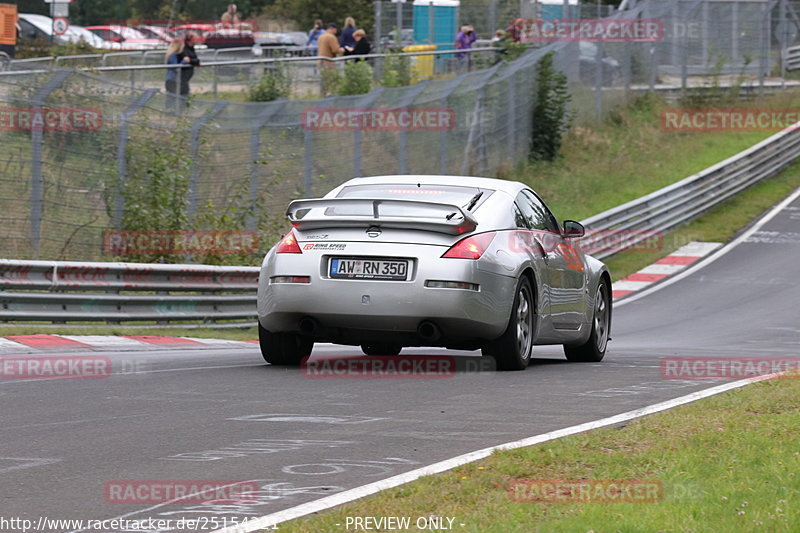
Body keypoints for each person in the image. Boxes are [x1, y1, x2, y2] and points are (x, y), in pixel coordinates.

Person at [164, 38, 189, 113]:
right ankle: (172, 112)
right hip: (172, 80)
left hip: (173, 80)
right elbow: (176, 67)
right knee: (174, 97)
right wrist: (184, 62)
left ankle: (176, 111)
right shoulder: (173, 55)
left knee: (174, 97)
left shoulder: (175, 55)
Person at [176, 32, 201, 105]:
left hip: (187, 76)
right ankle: (178, 110)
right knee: (183, 93)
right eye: (196, 38)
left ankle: (182, 110)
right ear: (191, 39)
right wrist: (193, 61)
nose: (197, 40)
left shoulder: (191, 48)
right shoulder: (184, 48)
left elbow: (196, 60)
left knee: (186, 92)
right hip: (181, 76)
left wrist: (193, 61)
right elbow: (187, 60)